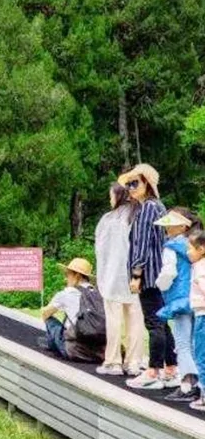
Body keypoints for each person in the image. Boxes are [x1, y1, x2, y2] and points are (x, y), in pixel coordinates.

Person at [122, 164, 180, 390]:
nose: (130, 188)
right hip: (159, 274)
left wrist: (137, 273)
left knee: (154, 323)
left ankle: (154, 370)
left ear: (147, 183)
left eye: (134, 183)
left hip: (149, 274)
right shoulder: (159, 206)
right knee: (162, 322)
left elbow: (142, 244)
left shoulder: (147, 208)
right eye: (128, 184)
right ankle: (170, 368)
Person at [94, 183, 146, 376]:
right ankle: (134, 362)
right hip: (136, 277)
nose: (110, 200)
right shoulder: (138, 216)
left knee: (113, 320)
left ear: (117, 196)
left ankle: (113, 361)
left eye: (111, 196)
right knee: (135, 319)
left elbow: (101, 249)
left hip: (112, 276)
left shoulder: (108, 219)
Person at [154, 208, 200, 401]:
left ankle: (187, 384)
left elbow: (168, 273)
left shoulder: (171, 247)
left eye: (170, 224)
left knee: (182, 343)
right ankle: (198, 383)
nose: (167, 228)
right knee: (194, 343)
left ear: (182, 226)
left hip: (179, 299)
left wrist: (159, 285)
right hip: (196, 298)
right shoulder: (193, 246)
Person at [38, 257, 105, 363]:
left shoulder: (66, 293)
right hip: (99, 354)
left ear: (77, 276)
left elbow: (45, 314)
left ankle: (52, 344)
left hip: (75, 352)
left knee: (50, 320)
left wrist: (44, 309)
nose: (66, 278)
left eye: (68, 274)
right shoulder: (99, 294)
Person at [187, 229, 205, 411]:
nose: (187, 252)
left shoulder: (200, 268)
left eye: (190, 248)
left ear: (201, 249)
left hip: (202, 316)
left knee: (201, 355)